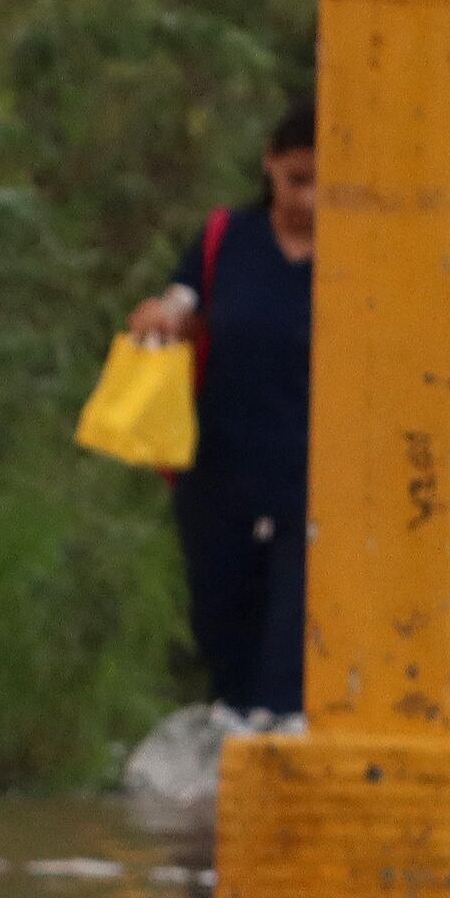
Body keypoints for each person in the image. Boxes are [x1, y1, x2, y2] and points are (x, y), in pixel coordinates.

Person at [126, 102, 317, 717]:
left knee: (288, 655)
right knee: (222, 635)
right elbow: (181, 300)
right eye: (297, 180)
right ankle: (225, 790)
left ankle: (280, 780)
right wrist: (162, 317)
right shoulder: (226, 240)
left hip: (313, 483)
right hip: (218, 473)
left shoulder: (363, 257)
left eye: (325, 184)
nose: (309, 200)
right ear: (269, 165)